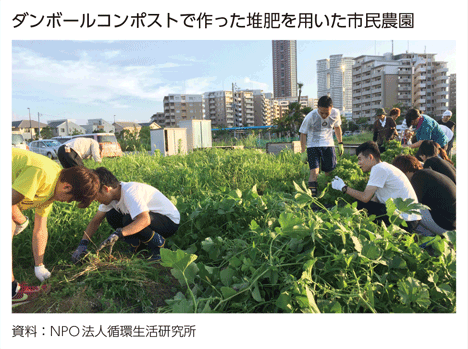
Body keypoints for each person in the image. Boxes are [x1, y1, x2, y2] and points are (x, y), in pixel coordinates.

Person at [12, 148, 100, 307]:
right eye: (71, 200)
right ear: (67, 187)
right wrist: (21, 220)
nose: (67, 203)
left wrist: (39, 266)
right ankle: (11, 292)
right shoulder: (42, 174)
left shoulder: (52, 190)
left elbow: (40, 228)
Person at [72, 167, 180, 263]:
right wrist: (83, 243)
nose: (95, 199)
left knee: (130, 219)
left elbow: (144, 220)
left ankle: (160, 247)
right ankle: (137, 246)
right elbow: (96, 221)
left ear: (106, 189)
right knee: (112, 215)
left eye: (96, 195)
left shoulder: (130, 192)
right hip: (152, 219)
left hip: (169, 221)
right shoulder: (110, 199)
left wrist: (119, 234)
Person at [330, 141, 421, 232]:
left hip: (405, 220)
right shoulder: (383, 167)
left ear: (370, 157)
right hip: (410, 219)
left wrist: (343, 188)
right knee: (362, 205)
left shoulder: (379, 168)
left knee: (359, 204)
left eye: (360, 159)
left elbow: (365, 198)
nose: (358, 163)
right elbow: (373, 200)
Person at [392, 155, 456, 236]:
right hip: (453, 221)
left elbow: (411, 206)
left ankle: (427, 236)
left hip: (447, 227)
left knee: (410, 210)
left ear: (406, 172)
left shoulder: (417, 179)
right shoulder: (425, 173)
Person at [299, 96, 344, 197]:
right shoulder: (310, 116)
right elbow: (303, 133)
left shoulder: (336, 113)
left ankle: (327, 194)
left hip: (328, 144)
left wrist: (340, 143)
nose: (324, 115)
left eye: (326, 113)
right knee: (314, 171)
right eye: (321, 112)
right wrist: (302, 152)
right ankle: (313, 197)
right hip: (312, 145)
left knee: (330, 172)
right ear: (318, 108)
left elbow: (337, 127)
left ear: (331, 108)